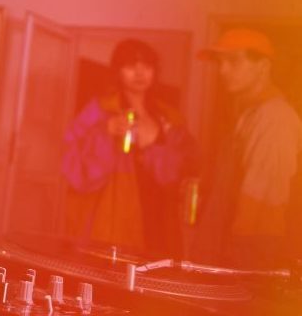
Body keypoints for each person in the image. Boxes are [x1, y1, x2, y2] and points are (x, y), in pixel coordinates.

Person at [61, 39, 194, 255]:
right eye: (131, 65)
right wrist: (106, 130)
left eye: (147, 66)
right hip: (112, 211)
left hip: (158, 210)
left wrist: (152, 148)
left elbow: (184, 167)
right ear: (117, 70)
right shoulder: (98, 109)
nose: (140, 73)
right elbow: (72, 161)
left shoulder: (169, 116)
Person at [195, 28, 302, 267]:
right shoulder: (248, 113)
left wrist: (240, 269)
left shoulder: (274, 118)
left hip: (245, 263)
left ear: (262, 66)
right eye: (220, 63)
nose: (223, 71)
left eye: (233, 62)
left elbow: (263, 208)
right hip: (225, 258)